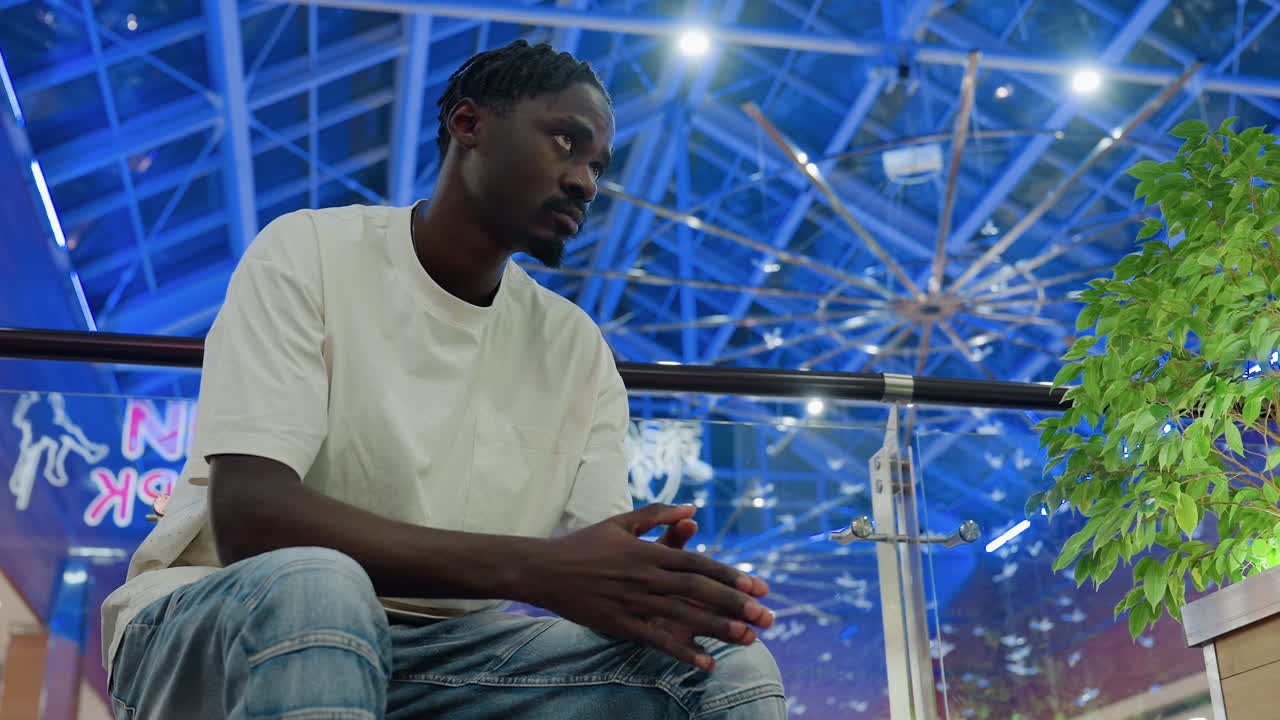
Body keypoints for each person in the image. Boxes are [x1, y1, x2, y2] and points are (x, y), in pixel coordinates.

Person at [101, 40, 785, 719]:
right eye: (565, 142)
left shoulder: (576, 348)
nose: (585, 181)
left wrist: (654, 590)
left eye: (598, 166)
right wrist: (531, 568)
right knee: (320, 585)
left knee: (726, 669)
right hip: (225, 622)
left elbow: (592, 565)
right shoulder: (309, 249)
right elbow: (252, 516)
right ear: (468, 126)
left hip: (445, 658)